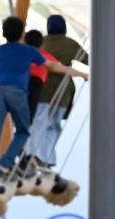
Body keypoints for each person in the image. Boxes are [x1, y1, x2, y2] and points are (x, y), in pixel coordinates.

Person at [0, 16, 87, 192]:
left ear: (4, 33)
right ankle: (5, 164)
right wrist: (82, 74)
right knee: (23, 130)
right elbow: (54, 66)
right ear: (22, 34)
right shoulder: (29, 51)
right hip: (17, 92)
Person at [33, 15, 89, 168]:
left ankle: (35, 158)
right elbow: (90, 61)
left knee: (38, 125)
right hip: (62, 93)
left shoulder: (41, 43)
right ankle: (48, 160)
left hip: (41, 91)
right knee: (53, 126)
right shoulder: (70, 44)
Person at [23, 30, 55, 123]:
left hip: (20, 82)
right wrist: (83, 74)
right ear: (42, 46)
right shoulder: (46, 56)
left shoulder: (21, 53)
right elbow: (57, 66)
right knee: (29, 117)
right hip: (35, 83)